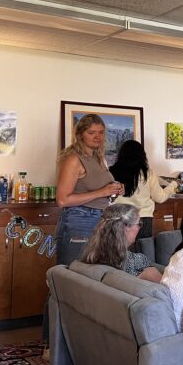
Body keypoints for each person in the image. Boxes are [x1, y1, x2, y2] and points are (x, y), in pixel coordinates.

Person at [55, 114, 124, 266]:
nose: (97, 136)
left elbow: (102, 190)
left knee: (91, 276)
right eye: (91, 133)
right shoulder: (74, 159)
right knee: (72, 274)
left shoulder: (97, 158)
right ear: (80, 135)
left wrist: (115, 189)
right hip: (79, 219)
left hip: (101, 220)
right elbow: (62, 200)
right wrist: (103, 192)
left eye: (100, 132)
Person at [110, 140, 178, 240]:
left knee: (117, 251)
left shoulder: (111, 172)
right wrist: (173, 185)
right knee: (142, 251)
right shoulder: (148, 173)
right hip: (142, 218)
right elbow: (160, 197)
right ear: (142, 155)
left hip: (117, 218)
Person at [80, 203, 161, 282]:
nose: (140, 227)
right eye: (139, 223)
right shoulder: (137, 261)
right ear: (126, 228)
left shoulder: (89, 255)